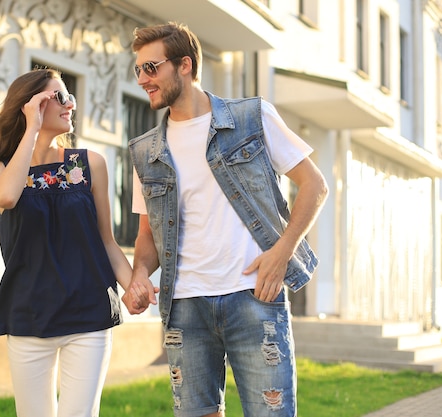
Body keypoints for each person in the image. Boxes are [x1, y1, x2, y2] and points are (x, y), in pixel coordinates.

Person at [122, 22, 329, 417]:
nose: (143, 79)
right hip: (184, 305)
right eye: (138, 70)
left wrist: (282, 252)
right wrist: (138, 274)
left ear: (184, 65)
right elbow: (147, 235)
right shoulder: (145, 151)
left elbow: (315, 185)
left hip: (253, 294)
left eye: (152, 68)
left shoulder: (252, 117)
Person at [0, 68, 132, 417]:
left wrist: (134, 286)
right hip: (29, 314)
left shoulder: (89, 164)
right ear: (30, 105)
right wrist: (32, 129)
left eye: (71, 96)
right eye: (60, 97)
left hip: (89, 313)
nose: (71, 105)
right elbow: (5, 197)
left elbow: (106, 241)